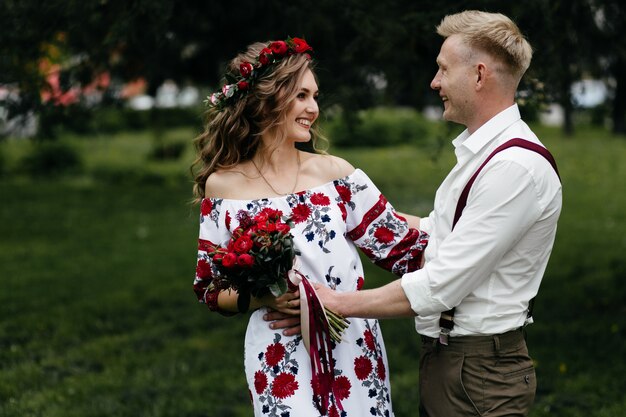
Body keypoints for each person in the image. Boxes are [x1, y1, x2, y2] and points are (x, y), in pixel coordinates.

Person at [313, 10, 563, 417]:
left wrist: (337, 303)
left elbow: (440, 285)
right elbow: (438, 230)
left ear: (479, 75)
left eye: (443, 69)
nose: (435, 82)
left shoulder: (513, 168)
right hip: (459, 365)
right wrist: (345, 210)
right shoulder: (484, 155)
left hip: (479, 375)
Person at [191, 37, 429, 416]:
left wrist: (471, 226)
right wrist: (264, 298)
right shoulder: (224, 187)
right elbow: (209, 288)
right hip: (278, 352)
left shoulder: (335, 174)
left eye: (315, 96)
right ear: (265, 98)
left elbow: (400, 243)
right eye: (301, 96)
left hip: (351, 343)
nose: (314, 108)